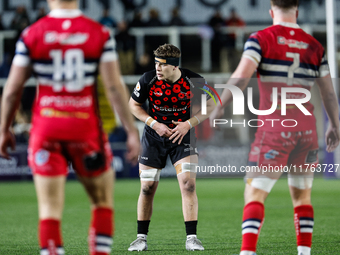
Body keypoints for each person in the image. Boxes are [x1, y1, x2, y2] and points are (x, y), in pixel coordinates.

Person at [0, 1, 140, 255]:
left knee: (49, 210)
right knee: (101, 202)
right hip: (84, 128)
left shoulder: (32, 34)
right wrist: (131, 130)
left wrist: (4, 128)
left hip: (46, 129)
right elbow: (113, 87)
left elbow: (12, 91)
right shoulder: (99, 33)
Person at [209, 1, 340, 255]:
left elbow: (241, 76)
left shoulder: (261, 39)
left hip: (275, 130)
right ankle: (304, 253)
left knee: (255, 194)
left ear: (271, 11)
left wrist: (219, 105)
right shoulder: (315, 46)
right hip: (307, 132)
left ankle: (247, 252)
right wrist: (334, 124)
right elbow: (329, 95)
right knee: (302, 198)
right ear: (297, 12)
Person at [128, 44, 215, 251]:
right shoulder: (147, 79)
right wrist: (154, 123)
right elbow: (133, 105)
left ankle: (192, 238)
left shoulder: (195, 80)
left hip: (183, 136)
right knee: (147, 187)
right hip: (153, 136)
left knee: (188, 184)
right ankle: (141, 238)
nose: (157, 68)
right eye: (156, 63)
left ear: (175, 67)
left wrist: (189, 123)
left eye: (162, 65)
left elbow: (212, 104)